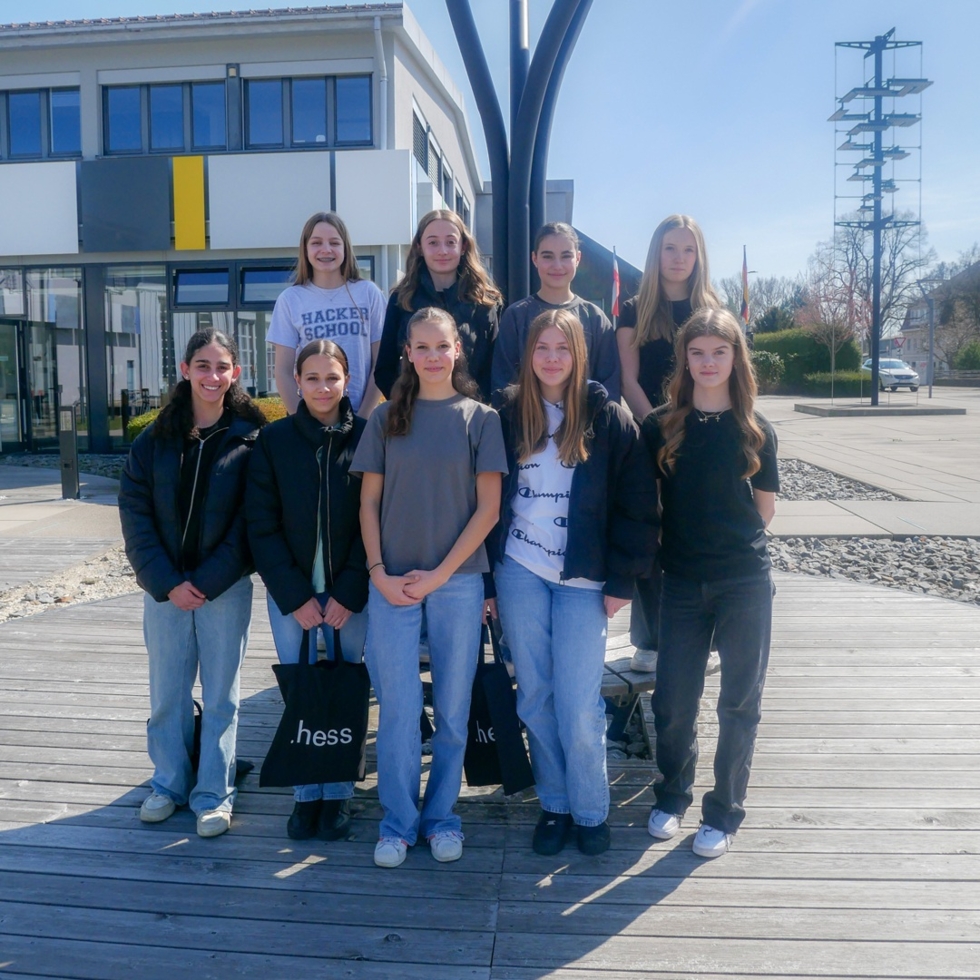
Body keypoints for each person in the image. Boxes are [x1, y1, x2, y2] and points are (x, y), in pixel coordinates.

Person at [491, 309, 658, 857]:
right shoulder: (508, 411)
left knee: (581, 702)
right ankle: (556, 804)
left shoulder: (607, 417)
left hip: (584, 576)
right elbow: (485, 495)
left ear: (579, 354)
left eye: (563, 348)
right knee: (535, 693)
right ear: (529, 354)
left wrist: (623, 579)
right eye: (542, 347)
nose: (552, 358)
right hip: (520, 570)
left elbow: (637, 502)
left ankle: (590, 809)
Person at [351, 307, 507, 869]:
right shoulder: (385, 418)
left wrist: (442, 575)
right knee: (396, 708)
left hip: (458, 584)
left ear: (457, 350)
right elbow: (367, 502)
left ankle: (442, 816)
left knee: (453, 706)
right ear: (408, 354)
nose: (433, 356)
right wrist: (377, 573)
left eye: (442, 346)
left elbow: (488, 509)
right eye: (422, 347)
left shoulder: (481, 419)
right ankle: (397, 822)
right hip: (390, 583)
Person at [641, 308, 779, 859]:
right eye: (697, 352)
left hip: (744, 580)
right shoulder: (660, 426)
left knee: (739, 701)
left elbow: (763, 512)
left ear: (735, 357)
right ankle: (672, 794)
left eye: (718, 352)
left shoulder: (757, 430)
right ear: (685, 359)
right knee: (674, 699)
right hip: (680, 581)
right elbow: (647, 504)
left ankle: (724, 810)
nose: (707, 362)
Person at [119, 328, 266, 839]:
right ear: (185, 370)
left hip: (223, 590)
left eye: (221, 366)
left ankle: (214, 793)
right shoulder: (154, 438)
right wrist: (166, 582)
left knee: (223, 696)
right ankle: (169, 784)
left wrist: (204, 582)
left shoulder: (251, 436)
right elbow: (135, 514)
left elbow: (253, 521)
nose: (212, 376)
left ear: (235, 373)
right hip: (164, 591)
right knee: (168, 695)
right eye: (202, 365)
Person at [246, 340, 369, 842]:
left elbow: (375, 520)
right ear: (297, 381)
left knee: (344, 692)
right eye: (312, 378)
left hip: (348, 598)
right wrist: (293, 596)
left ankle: (338, 793)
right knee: (300, 691)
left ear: (347, 380)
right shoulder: (273, 441)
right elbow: (260, 523)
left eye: (332, 377)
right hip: (292, 597)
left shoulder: (367, 437)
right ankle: (306, 795)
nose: (323, 387)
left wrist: (350, 590)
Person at [616, 215, 722, 673]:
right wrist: (659, 427)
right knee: (651, 534)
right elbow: (627, 378)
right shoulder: (635, 308)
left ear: (699, 257)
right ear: (656, 254)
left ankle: (705, 635)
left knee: (701, 532)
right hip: (652, 435)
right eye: (670, 249)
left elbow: (725, 372)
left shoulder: (714, 310)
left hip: (706, 434)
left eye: (688, 250)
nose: (679, 259)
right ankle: (651, 640)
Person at [374, 209, 502, 403]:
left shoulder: (486, 303)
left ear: (463, 246)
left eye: (451, 242)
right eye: (433, 242)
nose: (442, 250)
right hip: (413, 417)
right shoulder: (401, 300)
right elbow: (385, 367)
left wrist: (473, 409)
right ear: (419, 246)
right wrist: (407, 405)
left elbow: (493, 369)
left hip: (469, 417)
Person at [268, 211, 385, 418]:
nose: (326, 249)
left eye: (334, 242)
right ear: (305, 249)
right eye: (316, 243)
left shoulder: (368, 293)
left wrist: (363, 419)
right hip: (308, 423)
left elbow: (380, 363)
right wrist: (302, 423)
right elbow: (283, 372)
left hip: (358, 418)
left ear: (345, 248)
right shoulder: (290, 299)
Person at [491, 222, 620, 406]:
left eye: (566, 256)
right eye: (548, 256)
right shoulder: (516, 317)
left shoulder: (596, 319)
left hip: (585, 430)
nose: (557, 265)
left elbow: (610, 390)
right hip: (528, 429)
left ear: (578, 258)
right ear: (534, 259)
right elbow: (502, 387)